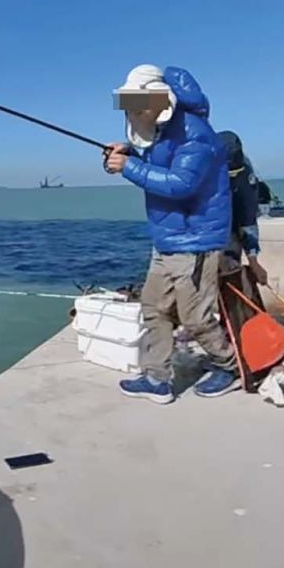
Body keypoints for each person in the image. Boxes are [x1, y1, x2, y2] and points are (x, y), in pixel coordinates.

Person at [103, 65, 240, 404]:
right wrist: (127, 153)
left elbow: (181, 184)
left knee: (195, 317)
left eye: (139, 104)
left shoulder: (196, 135)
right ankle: (157, 378)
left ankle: (230, 366)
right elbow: (160, 161)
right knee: (154, 307)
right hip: (167, 237)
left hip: (195, 240)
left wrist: (129, 168)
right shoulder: (161, 129)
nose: (134, 113)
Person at [219, 130, 268, 288]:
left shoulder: (246, 177)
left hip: (230, 228)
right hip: (200, 234)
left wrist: (253, 260)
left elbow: (247, 218)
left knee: (230, 273)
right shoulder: (196, 168)